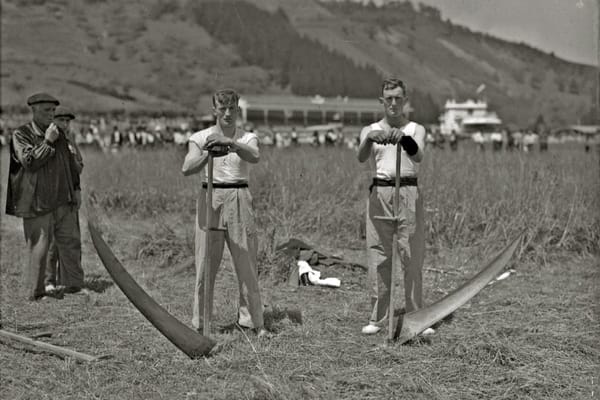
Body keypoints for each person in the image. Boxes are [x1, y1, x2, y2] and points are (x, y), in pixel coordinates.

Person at [181, 88, 266, 336]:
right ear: (214, 110)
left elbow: (255, 156)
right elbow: (187, 167)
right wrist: (209, 152)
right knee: (205, 263)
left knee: (246, 262)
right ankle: (201, 323)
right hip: (210, 195)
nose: (227, 113)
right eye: (222, 108)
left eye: (232, 108)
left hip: (239, 196)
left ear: (238, 109)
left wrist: (230, 144)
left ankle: (252, 321)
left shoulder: (247, 137)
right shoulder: (199, 137)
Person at [357, 79, 434, 336]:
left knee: (411, 256)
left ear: (405, 100)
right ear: (382, 101)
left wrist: (403, 138)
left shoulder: (416, 128)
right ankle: (378, 318)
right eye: (388, 98)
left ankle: (416, 317)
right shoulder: (370, 128)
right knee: (378, 256)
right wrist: (370, 138)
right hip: (380, 191)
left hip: (408, 192)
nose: (393, 103)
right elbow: (360, 156)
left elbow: (418, 155)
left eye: (398, 98)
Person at [6, 93, 82, 300]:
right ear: (34, 110)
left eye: (52, 111)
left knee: (70, 242)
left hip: (62, 199)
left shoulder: (60, 134)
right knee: (40, 247)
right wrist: (48, 142)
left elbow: (69, 166)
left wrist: (76, 189)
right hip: (35, 202)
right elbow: (29, 161)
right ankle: (36, 294)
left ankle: (74, 288)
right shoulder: (21, 134)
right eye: (46, 110)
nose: (51, 114)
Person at [45, 106, 85, 294]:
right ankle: (48, 281)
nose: (65, 124)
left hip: (69, 198)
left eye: (67, 121)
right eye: (61, 120)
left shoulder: (71, 142)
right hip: (51, 198)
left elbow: (79, 168)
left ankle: (71, 282)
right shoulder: (46, 140)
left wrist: (77, 190)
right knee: (51, 241)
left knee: (71, 241)